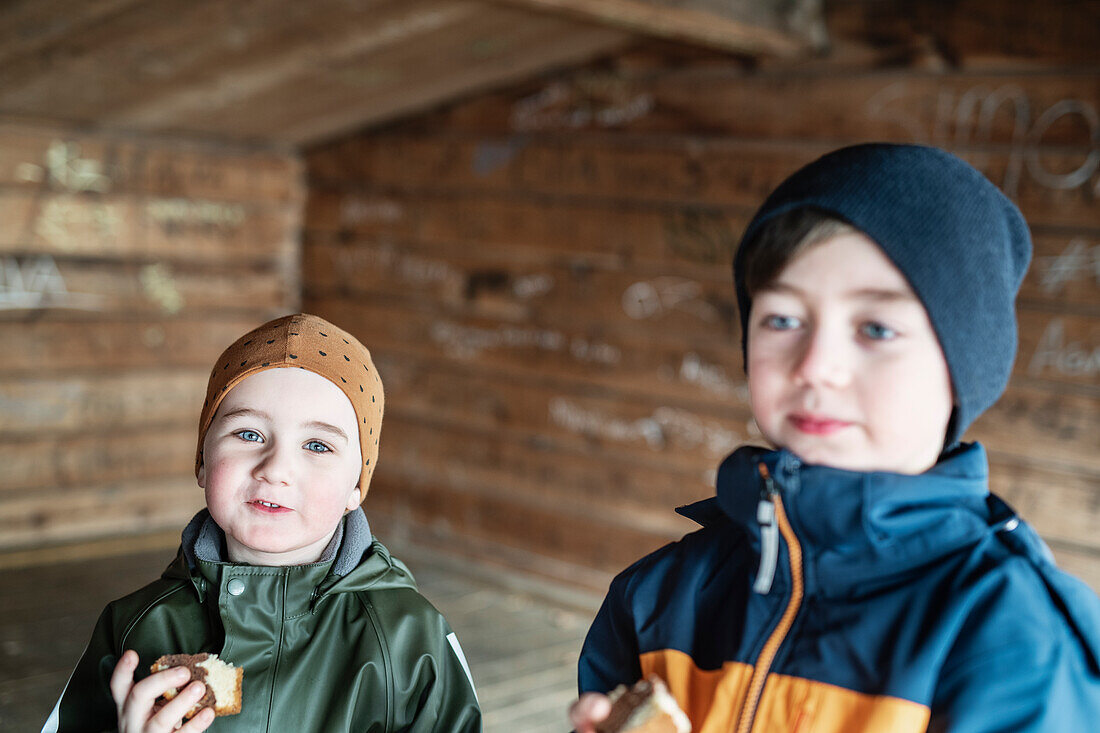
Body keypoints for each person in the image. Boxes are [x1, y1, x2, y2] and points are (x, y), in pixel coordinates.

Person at [570, 144, 1100, 732]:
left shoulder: (1012, 637)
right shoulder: (659, 596)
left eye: (876, 328)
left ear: (963, 367)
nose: (815, 366)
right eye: (782, 320)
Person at [44, 314, 481, 732]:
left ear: (356, 488)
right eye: (249, 434)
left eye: (317, 445)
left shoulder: (411, 638)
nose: (276, 469)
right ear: (202, 460)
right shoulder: (135, 628)